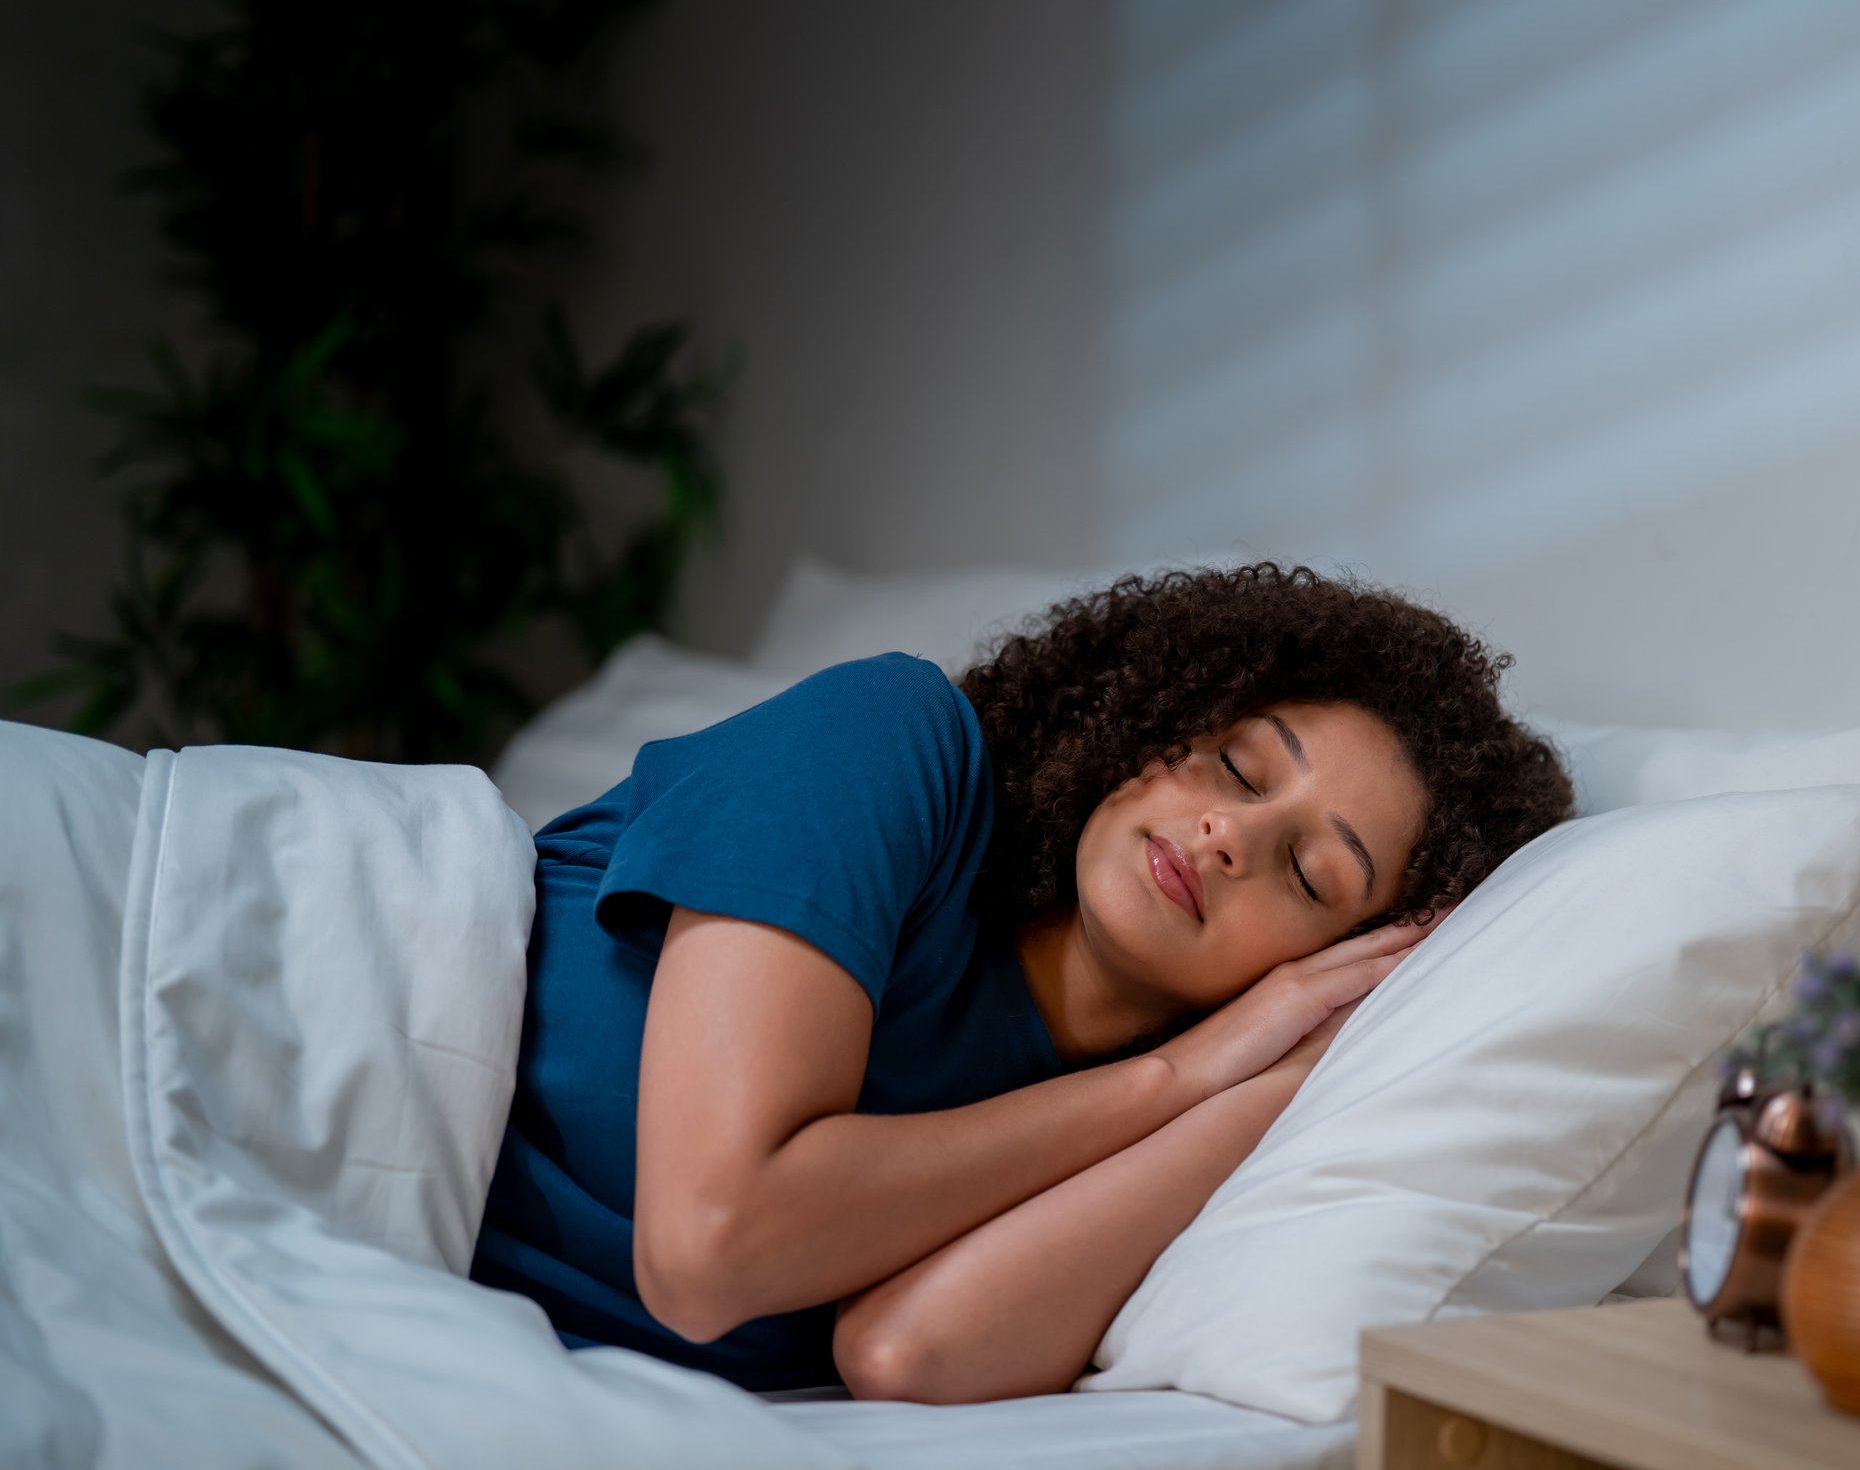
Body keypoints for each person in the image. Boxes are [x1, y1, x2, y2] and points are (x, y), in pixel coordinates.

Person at [469, 563, 1572, 1403]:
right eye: (1240, 766)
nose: (1228, 835)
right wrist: (1176, 1077)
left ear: (1319, 960)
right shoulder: (888, 744)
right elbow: (710, 1249)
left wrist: (1291, 1073)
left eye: (1311, 872)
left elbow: (905, 1350)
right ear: (1162, 723)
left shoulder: (1149, 1128)